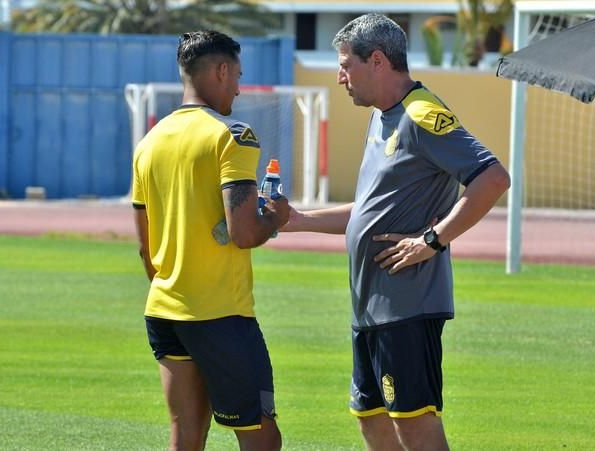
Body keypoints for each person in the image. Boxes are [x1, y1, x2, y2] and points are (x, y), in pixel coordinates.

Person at [282, 14, 511, 451]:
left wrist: (433, 239)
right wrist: (299, 220)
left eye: (346, 64)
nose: (340, 76)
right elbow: (371, 209)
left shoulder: (421, 114)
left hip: (406, 306)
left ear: (378, 61)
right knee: (371, 420)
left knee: (414, 425)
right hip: (369, 307)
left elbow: (493, 177)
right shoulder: (382, 115)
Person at [131, 30, 289, 451]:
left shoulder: (148, 144)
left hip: (164, 309)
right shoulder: (234, 136)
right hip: (220, 314)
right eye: (237, 75)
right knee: (261, 437)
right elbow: (243, 233)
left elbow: (146, 248)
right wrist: (275, 218)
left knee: (186, 434)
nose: (238, 87)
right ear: (221, 71)